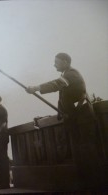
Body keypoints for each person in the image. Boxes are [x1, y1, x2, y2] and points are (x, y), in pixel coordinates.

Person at [26, 53, 103, 188]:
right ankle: (86, 183)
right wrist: (60, 113)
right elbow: (63, 98)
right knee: (80, 152)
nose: (54, 64)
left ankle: (95, 184)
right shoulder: (66, 75)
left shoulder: (72, 74)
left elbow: (56, 84)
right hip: (75, 119)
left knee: (88, 151)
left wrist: (36, 88)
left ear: (66, 62)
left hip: (83, 119)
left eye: (56, 62)